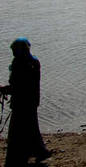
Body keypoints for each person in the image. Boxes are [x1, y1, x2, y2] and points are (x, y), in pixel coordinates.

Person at [0, 38, 51, 166]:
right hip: (32, 101)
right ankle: (39, 151)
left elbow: (18, 86)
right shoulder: (34, 62)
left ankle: (17, 159)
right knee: (31, 128)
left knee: (17, 131)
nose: (13, 53)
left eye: (14, 50)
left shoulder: (20, 63)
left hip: (21, 103)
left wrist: (4, 89)